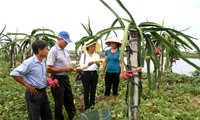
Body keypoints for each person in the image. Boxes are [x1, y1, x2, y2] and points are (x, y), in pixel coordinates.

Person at [10, 40, 52, 120]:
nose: (48, 51)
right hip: (34, 93)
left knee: (48, 116)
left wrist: (47, 81)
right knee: (34, 117)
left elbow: (37, 76)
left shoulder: (43, 61)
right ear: (40, 51)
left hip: (43, 92)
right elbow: (14, 73)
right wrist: (27, 85)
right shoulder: (29, 62)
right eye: (46, 49)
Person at [46, 31, 76, 120]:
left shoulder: (65, 51)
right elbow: (48, 68)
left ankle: (73, 116)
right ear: (59, 39)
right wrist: (64, 69)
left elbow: (67, 65)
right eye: (65, 41)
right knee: (59, 101)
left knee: (69, 98)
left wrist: (73, 69)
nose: (67, 43)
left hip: (65, 78)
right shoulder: (53, 51)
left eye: (67, 42)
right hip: (57, 78)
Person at [100, 37, 124, 102]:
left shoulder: (120, 52)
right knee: (107, 88)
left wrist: (122, 73)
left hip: (116, 72)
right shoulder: (107, 52)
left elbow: (122, 63)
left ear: (117, 44)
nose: (112, 44)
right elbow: (105, 62)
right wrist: (102, 71)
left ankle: (114, 103)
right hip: (108, 72)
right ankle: (106, 104)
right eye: (111, 43)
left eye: (114, 43)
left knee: (115, 88)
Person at [79, 40, 101, 110]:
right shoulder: (84, 55)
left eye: (94, 46)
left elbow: (98, 67)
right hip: (86, 73)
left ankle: (92, 105)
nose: (93, 48)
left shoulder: (97, 55)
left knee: (93, 90)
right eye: (91, 46)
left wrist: (98, 64)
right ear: (87, 47)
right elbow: (81, 66)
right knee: (86, 90)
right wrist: (88, 64)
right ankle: (87, 106)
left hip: (94, 73)